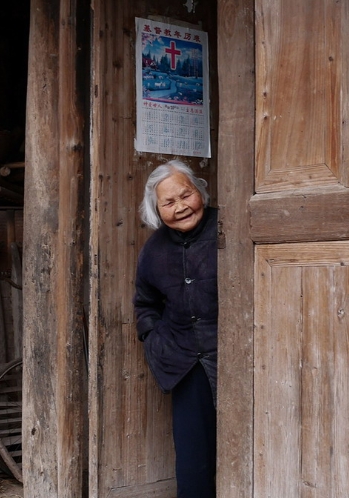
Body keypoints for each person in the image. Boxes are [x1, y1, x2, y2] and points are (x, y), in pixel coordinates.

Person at [133, 159, 218, 497]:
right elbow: (145, 302)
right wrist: (153, 338)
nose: (181, 207)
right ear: (157, 210)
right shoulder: (153, 250)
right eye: (169, 202)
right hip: (185, 362)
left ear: (201, 192)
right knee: (193, 454)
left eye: (187, 195)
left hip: (239, 352)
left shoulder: (228, 226)